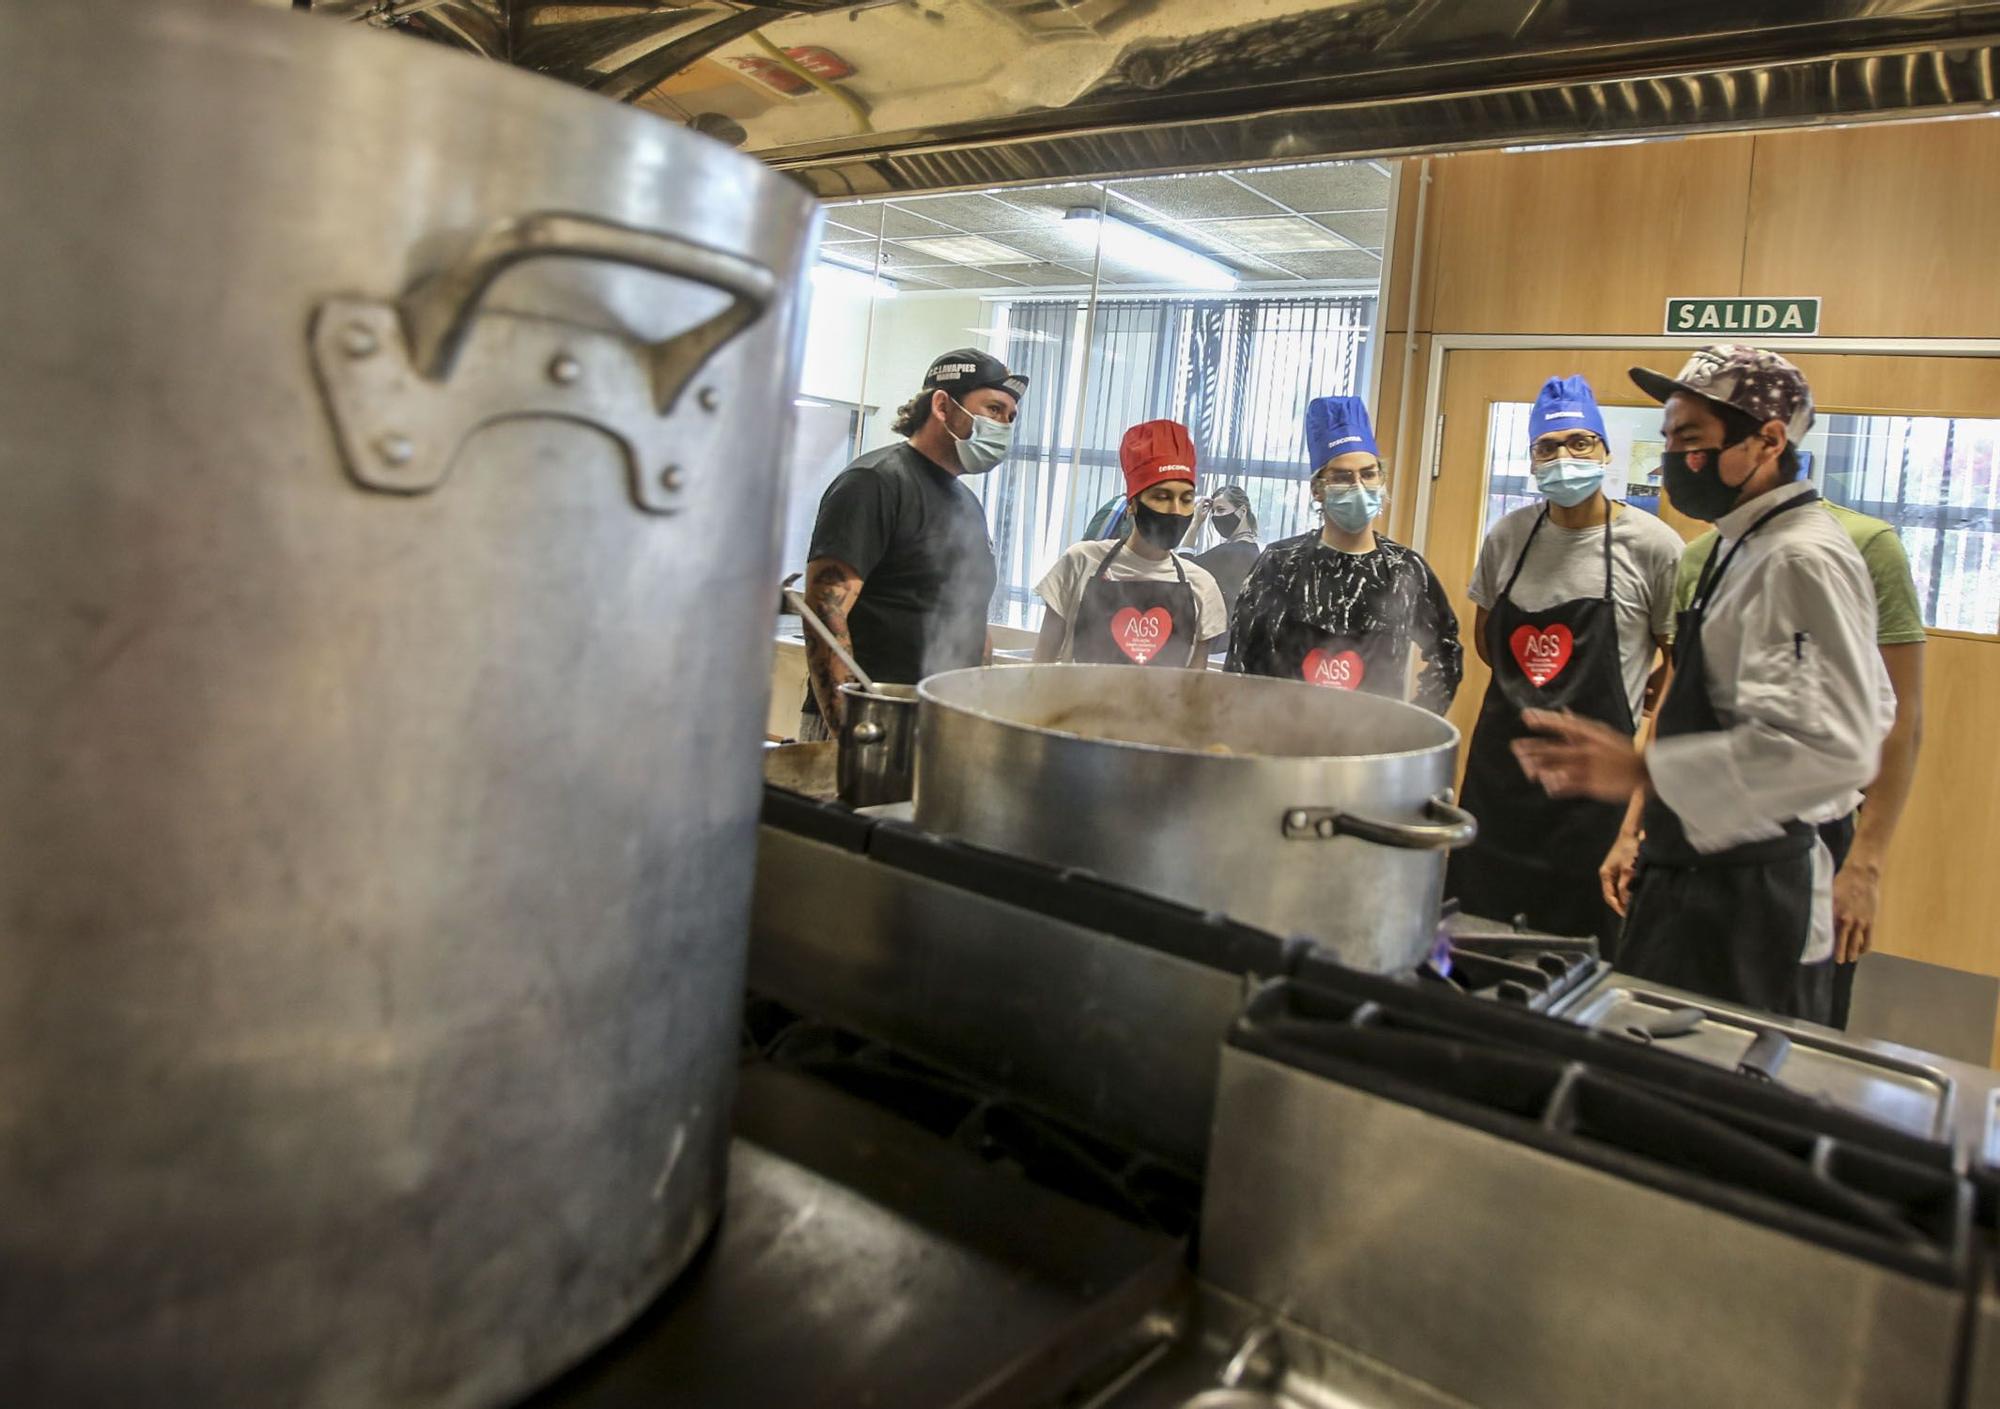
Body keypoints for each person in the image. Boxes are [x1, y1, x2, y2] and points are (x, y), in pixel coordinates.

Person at [1515, 345, 1893, 1024]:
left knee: (1712, 1095)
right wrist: (1645, 827)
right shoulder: (1733, 544)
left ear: (1768, 440)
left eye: (1691, 441)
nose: (1672, 459)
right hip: (1694, 873)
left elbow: (1839, 746)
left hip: (1754, 899)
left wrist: (1643, 768)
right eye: (1667, 439)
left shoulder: (1801, 558)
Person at [1624, 476, 1926, 1028]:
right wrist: (1631, 828)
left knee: (1782, 1041)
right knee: (1661, 1027)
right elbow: (1674, 698)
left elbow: (1900, 722)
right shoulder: (1700, 555)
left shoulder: (1858, 544)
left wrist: (1866, 865)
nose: (1686, 460)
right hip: (1689, 834)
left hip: (1802, 844)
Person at [1445, 376, 1684, 947]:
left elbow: (1679, 664)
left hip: (1594, 791)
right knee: (1476, 942)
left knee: (1582, 955)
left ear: (1605, 451)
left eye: (1579, 443)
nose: (1564, 458)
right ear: (1532, 459)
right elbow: (1488, 640)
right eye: (1547, 447)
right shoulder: (1508, 536)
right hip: (1501, 781)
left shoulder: (1654, 546)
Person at [798, 347, 1026, 738]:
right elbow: (824, 614)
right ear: (942, 405)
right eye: (993, 408)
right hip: (870, 722)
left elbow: (972, 619)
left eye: (1010, 417)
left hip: (939, 725)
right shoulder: (875, 482)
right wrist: (850, 733)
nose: (1003, 425)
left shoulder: (967, 503)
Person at [1227, 396, 1461, 713]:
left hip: (1373, 753)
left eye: (1368, 474)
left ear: (1382, 479)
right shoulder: (1280, 564)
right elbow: (1241, 666)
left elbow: (1446, 652)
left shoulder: (1405, 570)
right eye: (1341, 477)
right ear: (1317, 490)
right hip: (1284, 747)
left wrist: (1413, 729)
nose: (1359, 486)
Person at [1033, 420, 1228, 666]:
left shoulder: (1202, 586)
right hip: (1077, 704)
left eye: (1186, 498)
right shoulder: (1080, 562)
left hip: (1163, 706)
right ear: (1132, 503)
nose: (1176, 510)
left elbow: (1194, 688)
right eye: (1161, 496)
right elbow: (1040, 667)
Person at [1189, 484, 1262, 653]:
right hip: (1239, 641)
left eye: (1221, 510)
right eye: (1213, 512)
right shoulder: (1252, 549)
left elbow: (1183, 568)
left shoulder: (1229, 552)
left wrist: (1195, 523)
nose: (1215, 517)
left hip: (1219, 643)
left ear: (1242, 511)